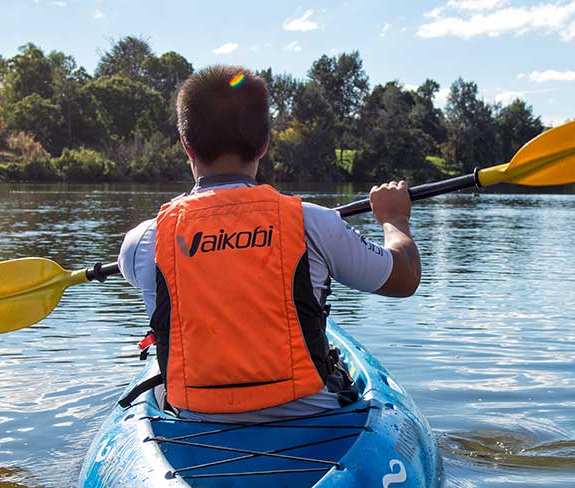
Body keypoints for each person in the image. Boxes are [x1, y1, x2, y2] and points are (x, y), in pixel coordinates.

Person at [115, 65, 421, 418]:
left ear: (186, 145)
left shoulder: (140, 242)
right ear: (264, 144)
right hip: (314, 420)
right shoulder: (314, 222)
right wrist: (395, 219)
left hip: (195, 422)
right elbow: (405, 277)